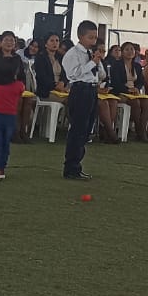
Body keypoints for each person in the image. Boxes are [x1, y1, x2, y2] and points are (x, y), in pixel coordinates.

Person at [61, 20, 101, 180]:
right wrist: (92, 63)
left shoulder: (91, 53)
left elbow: (100, 74)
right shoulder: (73, 54)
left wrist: (98, 63)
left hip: (91, 89)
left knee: (86, 130)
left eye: (95, 37)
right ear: (80, 36)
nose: (93, 41)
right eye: (90, 37)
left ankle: (77, 164)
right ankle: (71, 167)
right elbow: (74, 74)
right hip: (80, 90)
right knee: (78, 129)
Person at [0, 58, 25, 182]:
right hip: (11, 117)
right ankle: (2, 168)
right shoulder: (19, 85)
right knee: (5, 143)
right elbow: (21, 93)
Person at [113, 41, 148, 141]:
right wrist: (127, 90)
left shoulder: (137, 66)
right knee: (136, 103)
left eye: (132, 49)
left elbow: (141, 81)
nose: (130, 51)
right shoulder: (116, 65)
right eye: (127, 49)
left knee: (146, 102)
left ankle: (142, 129)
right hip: (121, 91)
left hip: (134, 92)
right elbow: (116, 82)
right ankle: (140, 131)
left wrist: (137, 88)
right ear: (122, 52)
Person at [31, 32, 65, 98]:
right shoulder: (40, 57)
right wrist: (55, 86)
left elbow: (65, 74)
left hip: (60, 90)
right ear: (46, 44)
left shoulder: (61, 57)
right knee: (70, 101)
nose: (55, 43)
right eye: (52, 41)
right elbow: (42, 77)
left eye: (57, 41)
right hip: (46, 91)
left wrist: (62, 82)